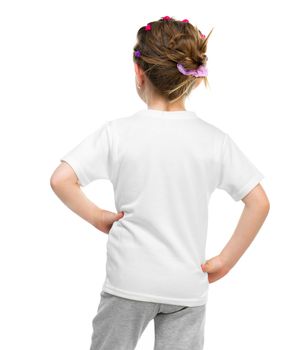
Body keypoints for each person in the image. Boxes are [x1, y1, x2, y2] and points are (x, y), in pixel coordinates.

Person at [50, 15, 270, 350]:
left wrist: (98, 217)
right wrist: (225, 260)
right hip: (186, 285)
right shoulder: (214, 141)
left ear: (139, 73)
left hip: (128, 282)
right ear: (194, 80)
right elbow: (259, 201)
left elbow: (61, 179)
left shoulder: (117, 134)